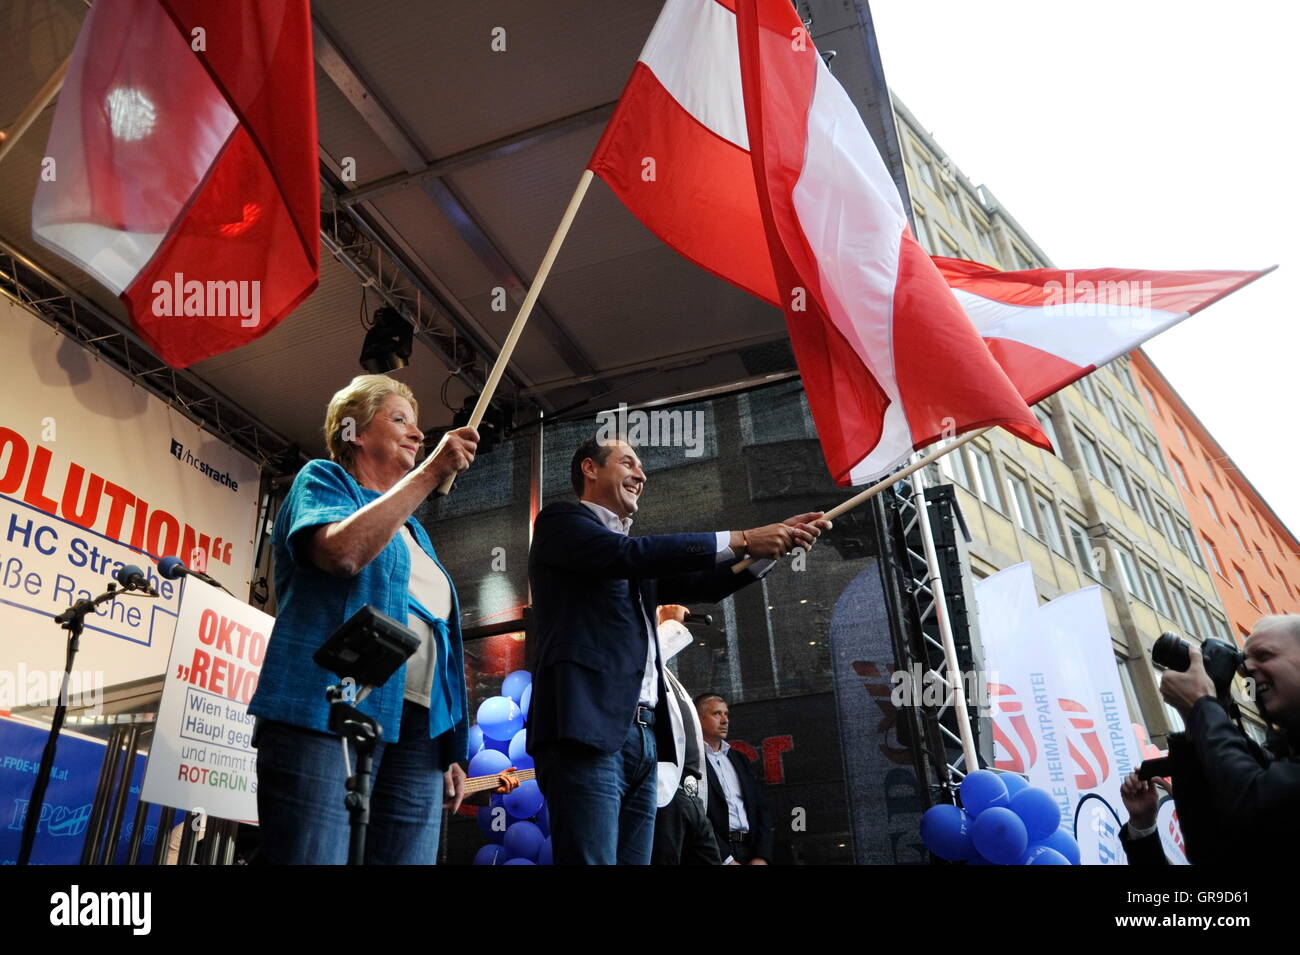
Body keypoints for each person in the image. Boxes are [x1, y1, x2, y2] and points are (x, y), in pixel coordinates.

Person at [527, 435, 829, 865]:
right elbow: (626, 555)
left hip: (646, 740)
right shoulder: (562, 523)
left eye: (641, 466)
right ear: (589, 469)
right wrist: (745, 536)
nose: (641, 474)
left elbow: (704, 583)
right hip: (586, 729)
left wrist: (774, 546)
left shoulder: (634, 558)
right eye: (628, 462)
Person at [248, 374, 479, 864]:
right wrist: (431, 472)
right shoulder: (323, 480)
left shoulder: (415, 530)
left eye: (417, 424)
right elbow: (343, 554)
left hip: (417, 731)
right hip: (328, 711)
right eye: (399, 419)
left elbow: (445, 648)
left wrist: (450, 749)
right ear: (353, 431)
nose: (417, 434)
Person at [1119, 614, 1300, 864]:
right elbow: (1210, 851)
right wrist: (1194, 721)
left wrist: (1203, 706)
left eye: (1265, 655)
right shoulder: (1280, 755)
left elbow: (1256, 804)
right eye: (1244, 662)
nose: (1247, 669)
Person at [651, 605, 722, 865]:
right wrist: (669, 623)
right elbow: (643, 663)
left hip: (690, 796)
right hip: (663, 794)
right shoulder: (640, 663)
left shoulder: (665, 672)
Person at [698, 693, 775, 865]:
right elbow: (696, 816)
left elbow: (761, 809)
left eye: (726, 714)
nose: (725, 720)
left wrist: (761, 857)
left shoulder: (740, 759)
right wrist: (726, 859)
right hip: (712, 855)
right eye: (717, 714)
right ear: (698, 719)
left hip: (750, 851)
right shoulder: (691, 760)